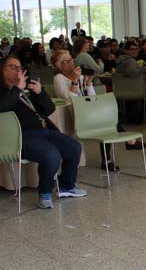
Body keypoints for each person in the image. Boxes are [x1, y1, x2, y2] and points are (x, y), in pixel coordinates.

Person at [0, 56, 86, 208]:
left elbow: (49, 109)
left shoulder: (28, 88)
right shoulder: (4, 91)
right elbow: (3, 107)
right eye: (12, 67)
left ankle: (66, 186)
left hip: (44, 131)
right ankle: (45, 193)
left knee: (73, 147)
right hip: (20, 137)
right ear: (2, 70)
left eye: (19, 67)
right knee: (51, 154)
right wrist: (17, 89)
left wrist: (39, 93)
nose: (17, 71)